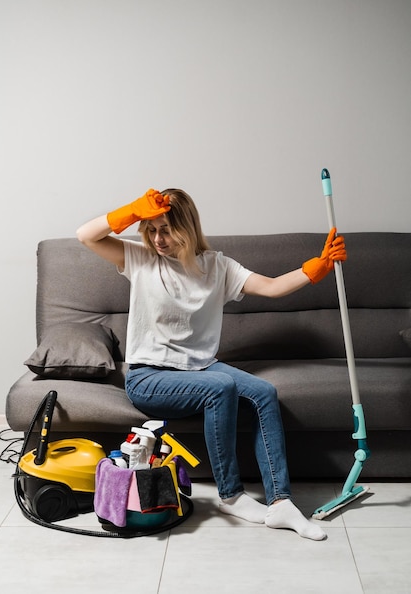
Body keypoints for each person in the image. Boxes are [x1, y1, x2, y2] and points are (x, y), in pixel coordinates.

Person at [77, 188, 346, 541]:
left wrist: (316, 268)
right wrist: (131, 211)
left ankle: (280, 503)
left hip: (201, 367)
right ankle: (231, 495)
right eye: (152, 229)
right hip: (149, 377)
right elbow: (86, 235)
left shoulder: (217, 266)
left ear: (187, 228)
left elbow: (273, 287)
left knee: (264, 392)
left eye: (167, 230)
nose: (158, 238)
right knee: (222, 388)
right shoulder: (140, 259)